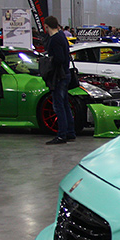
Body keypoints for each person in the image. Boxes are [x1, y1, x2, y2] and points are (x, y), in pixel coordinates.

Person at [42, 15, 75, 144]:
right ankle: (70, 132)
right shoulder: (62, 36)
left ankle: (61, 135)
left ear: (46, 26)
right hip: (65, 74)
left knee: (58, 106)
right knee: (65, 104)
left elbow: (59, 58)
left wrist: (48, 62)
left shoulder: (55, 39)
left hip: (59, 76)